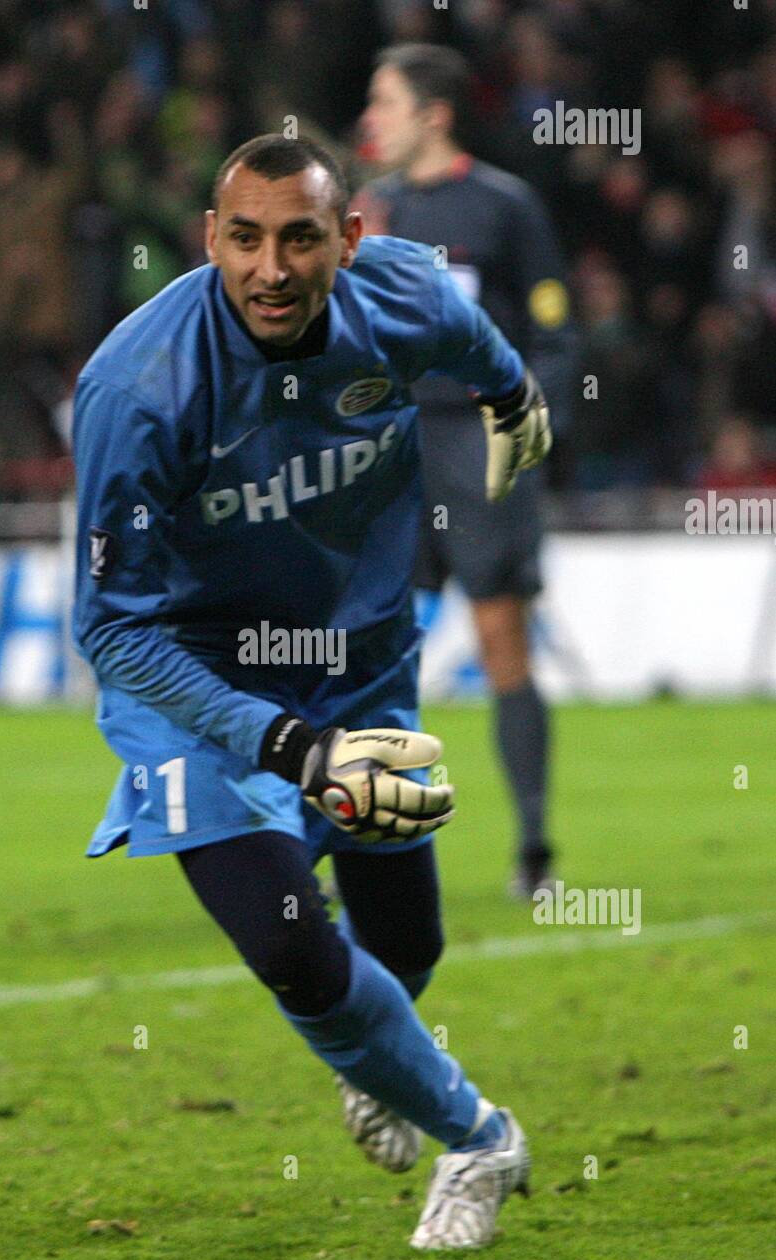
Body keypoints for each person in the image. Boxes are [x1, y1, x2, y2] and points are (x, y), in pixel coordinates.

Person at [71, 134, 549, 1249]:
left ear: (350, 240)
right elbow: (111, 628)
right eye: (244, 239)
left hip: (358, 661)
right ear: (210, 241)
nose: (271, 269)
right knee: (290, 943)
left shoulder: (402, 294)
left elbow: (469, 335)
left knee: (407, 946)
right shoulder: (138, 389)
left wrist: (514, 394)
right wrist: (285, 746)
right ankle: (483, 1136)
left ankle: (388, 1059)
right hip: (196, 687)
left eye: (298, 238)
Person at [357, 44, 577, 896]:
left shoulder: (503, 206)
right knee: (376, 651)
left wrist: (524, 425)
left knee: (499, 639)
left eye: (385, 102)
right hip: (393, 452)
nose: (372, 119)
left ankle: (532, 850)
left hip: (479, 452)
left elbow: (555, 330)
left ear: (432, 113)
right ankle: (380, 846)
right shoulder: (370, 213)